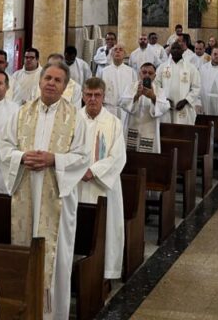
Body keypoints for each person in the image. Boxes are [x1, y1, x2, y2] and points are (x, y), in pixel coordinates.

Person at [0, 60, 90, 320]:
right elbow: (4, 147)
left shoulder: (75, 118)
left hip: (58, 198)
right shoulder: (21, 113)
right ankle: (23, 308)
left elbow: (83, 156)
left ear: (65, 86)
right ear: (39, 82)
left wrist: (54, 160)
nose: (51, 83)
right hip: (25, 191)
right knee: (24, 248)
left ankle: (52, 315)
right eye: (47, 78)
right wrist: (20, 157)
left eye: (57, 80)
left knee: (57, 257)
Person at [78, 77, 126, 282]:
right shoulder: (73, 119)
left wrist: (94, 171)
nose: (92, 99)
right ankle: (77, 270)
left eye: (97, 95)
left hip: (103, 187)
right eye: (88, 95)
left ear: (103, 97)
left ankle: (104, 273)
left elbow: (118, 156)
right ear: (82, 95)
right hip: (76, 186)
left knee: (105, 229)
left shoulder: (113, 122)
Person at [120, 62, 170, 152]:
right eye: (144, 72)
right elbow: (123, 103)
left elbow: (165, 107)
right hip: (132, 127)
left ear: (155, 76)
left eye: (150, 73)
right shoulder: (131, 87)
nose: (147, 75)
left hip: (149, 130)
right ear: (139, 74)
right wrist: (136, 96)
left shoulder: (159, 90)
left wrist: (153, 97)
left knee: (147, 158)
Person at [157, 40, 200, 125]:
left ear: (183, 50)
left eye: (178, 48)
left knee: (183, 134)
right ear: (170, 50)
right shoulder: (162, 67)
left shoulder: (191, 68)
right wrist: (164, 99)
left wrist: (186, 101)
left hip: (184, 107)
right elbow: (156, 85)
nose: (176, 50)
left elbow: (196, 87)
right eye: (173, 48)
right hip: (166, 106)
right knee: (167, 133)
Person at [100, 42, 137, 125]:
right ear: (111, 53)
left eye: (121, 50)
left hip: (126, 110)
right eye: (115, 50)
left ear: (124, 54)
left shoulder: (131, 72)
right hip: (108, 109)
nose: (117, 51)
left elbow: (134, 91)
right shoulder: (104, 71)